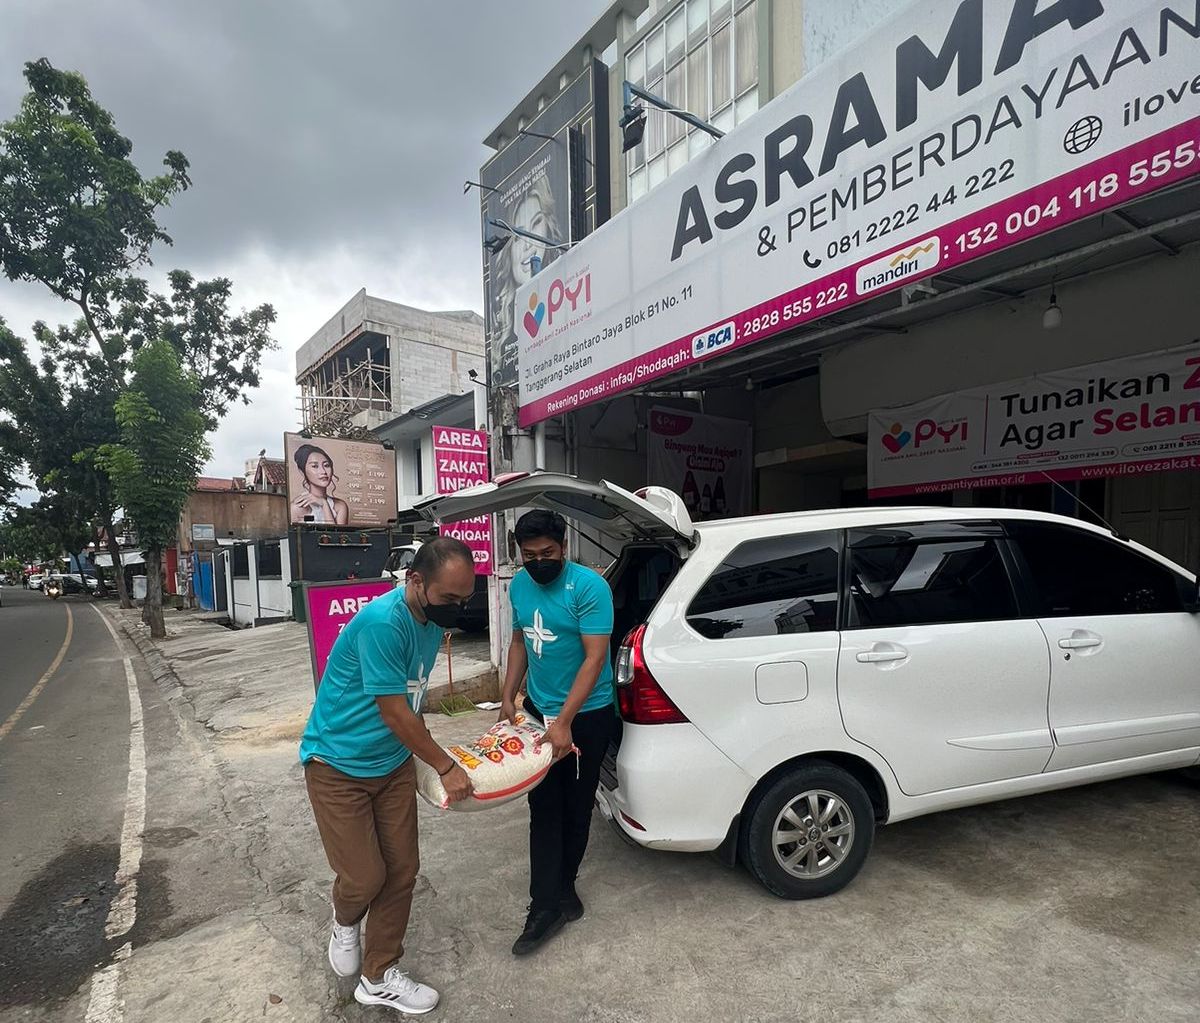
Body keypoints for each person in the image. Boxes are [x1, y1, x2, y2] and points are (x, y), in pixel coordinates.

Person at [300, 537, 477, 1014]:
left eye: (465, 600)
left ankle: (377, 976)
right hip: (337, 765)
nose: (457, 610)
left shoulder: (427, 620)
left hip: (392, 764)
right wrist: (445, 765)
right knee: (363, 876)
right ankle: (344, 919)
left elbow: (414, 702)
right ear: (415, 581)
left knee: (401, 873)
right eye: (449, 599)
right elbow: (395, 712)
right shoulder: (384, 622)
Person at [499, 509, 617, 956]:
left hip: (587, 713)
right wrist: (508, 695)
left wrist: (565, 722)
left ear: (563, 547)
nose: (538, 562)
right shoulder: (519, 586)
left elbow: (593, 659)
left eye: (547, 553)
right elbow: (519, 642)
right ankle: (544, 905)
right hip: (537, 712)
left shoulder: (590, 587)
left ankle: (564, 887)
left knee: (577, 806)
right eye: (529, 555)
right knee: (543, 805)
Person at [292, 443, 350, 524]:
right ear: (302, 471)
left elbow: (336, 536)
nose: (323, 471)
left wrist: (324, 504)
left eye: (326, 465)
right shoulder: (297, 507)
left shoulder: (340, 506)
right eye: (315, 466)